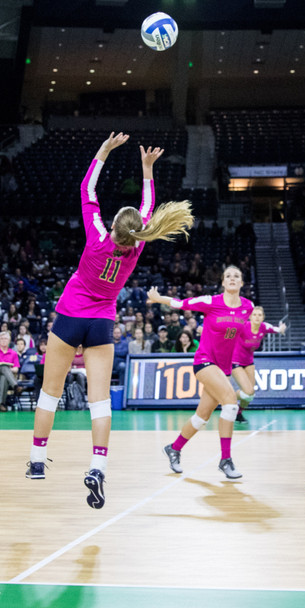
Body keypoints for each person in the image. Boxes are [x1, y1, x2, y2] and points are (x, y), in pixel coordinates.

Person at [27, 133, 193, 511]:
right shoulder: (136, 246)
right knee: (99, 403)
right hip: (101, 322)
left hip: (70, 315)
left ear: (113, 224)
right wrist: (147, 170)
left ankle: (37, 461)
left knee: (50, 394)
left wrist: (103, 151)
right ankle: (98, 467)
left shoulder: (97, 236)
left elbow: (87, 188)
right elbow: (148, 209)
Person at [151, 266, 253, 479]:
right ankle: (226, 460)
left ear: (242, 283)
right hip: (204, 362)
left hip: (223, 368)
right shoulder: (211, 302)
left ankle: (174, 448)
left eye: (237, 276)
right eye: (228, 276)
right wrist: (159, 298)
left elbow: (240, 334)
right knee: (231, 403)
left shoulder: (248, 307)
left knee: (201, 417)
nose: (232, 279)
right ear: (223, 283)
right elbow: (180, 304)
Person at [231, 306, 286, 423]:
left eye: (259, 315)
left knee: (250, 395)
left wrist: (281, 329)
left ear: (263, 317)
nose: (257, 317)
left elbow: (276, 329)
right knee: (248, 391)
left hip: (249, 362)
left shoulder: (264, 327)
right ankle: (226, 396)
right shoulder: (243, 326)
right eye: (254, 314)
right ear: (250, 317)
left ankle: (238, 412)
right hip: (235, 361)